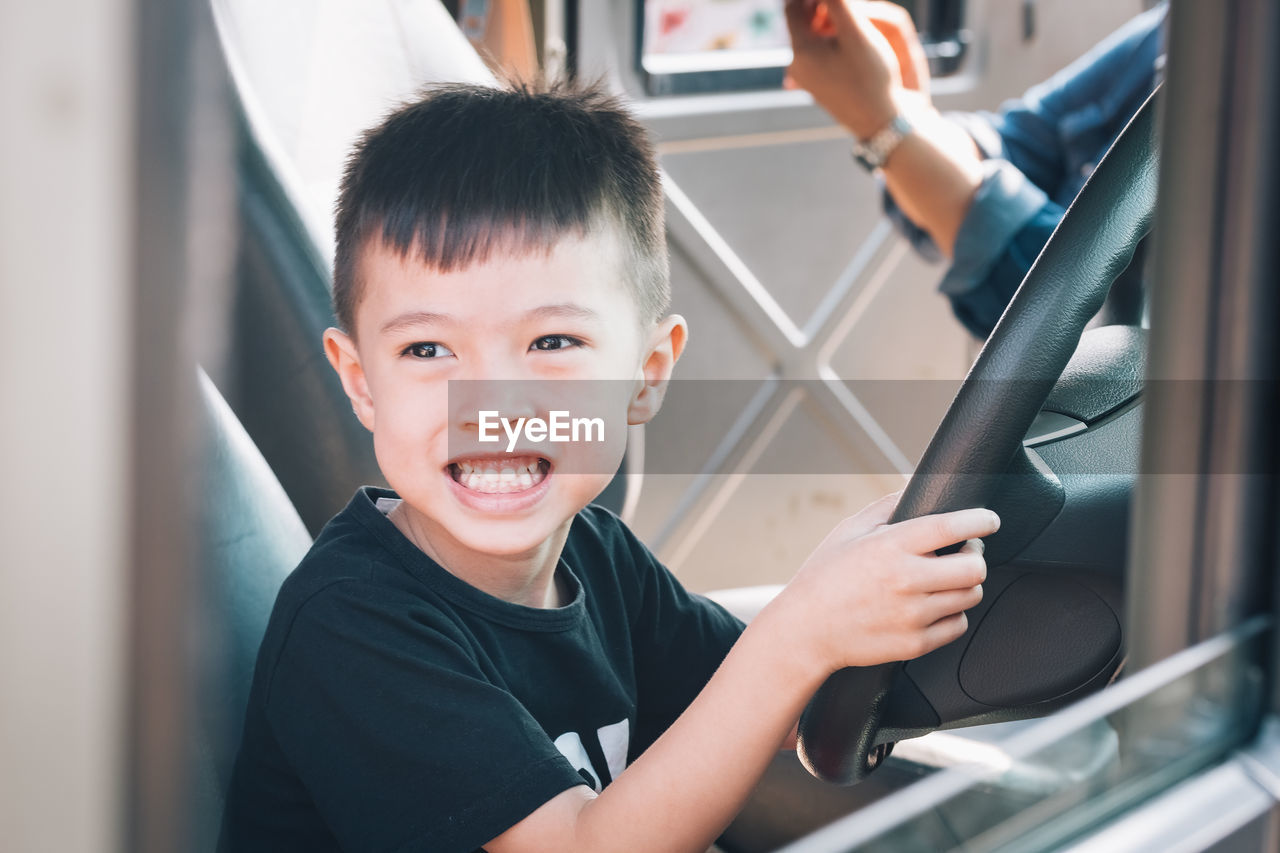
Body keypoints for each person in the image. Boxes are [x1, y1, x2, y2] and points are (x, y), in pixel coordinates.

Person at [218, 79, 998, 853]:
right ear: (361, 381)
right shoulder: (351, 625)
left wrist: (874, 587)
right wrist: (800, 632)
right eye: (428, 349)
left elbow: (776, 702)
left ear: (648, 371)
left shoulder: (598, 556)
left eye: (552, 343)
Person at [784, 0, 1166, 338]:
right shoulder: (1173, 30)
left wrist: (884, 122)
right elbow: (1025, 142)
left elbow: (1054, 317)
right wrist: (907, 112)